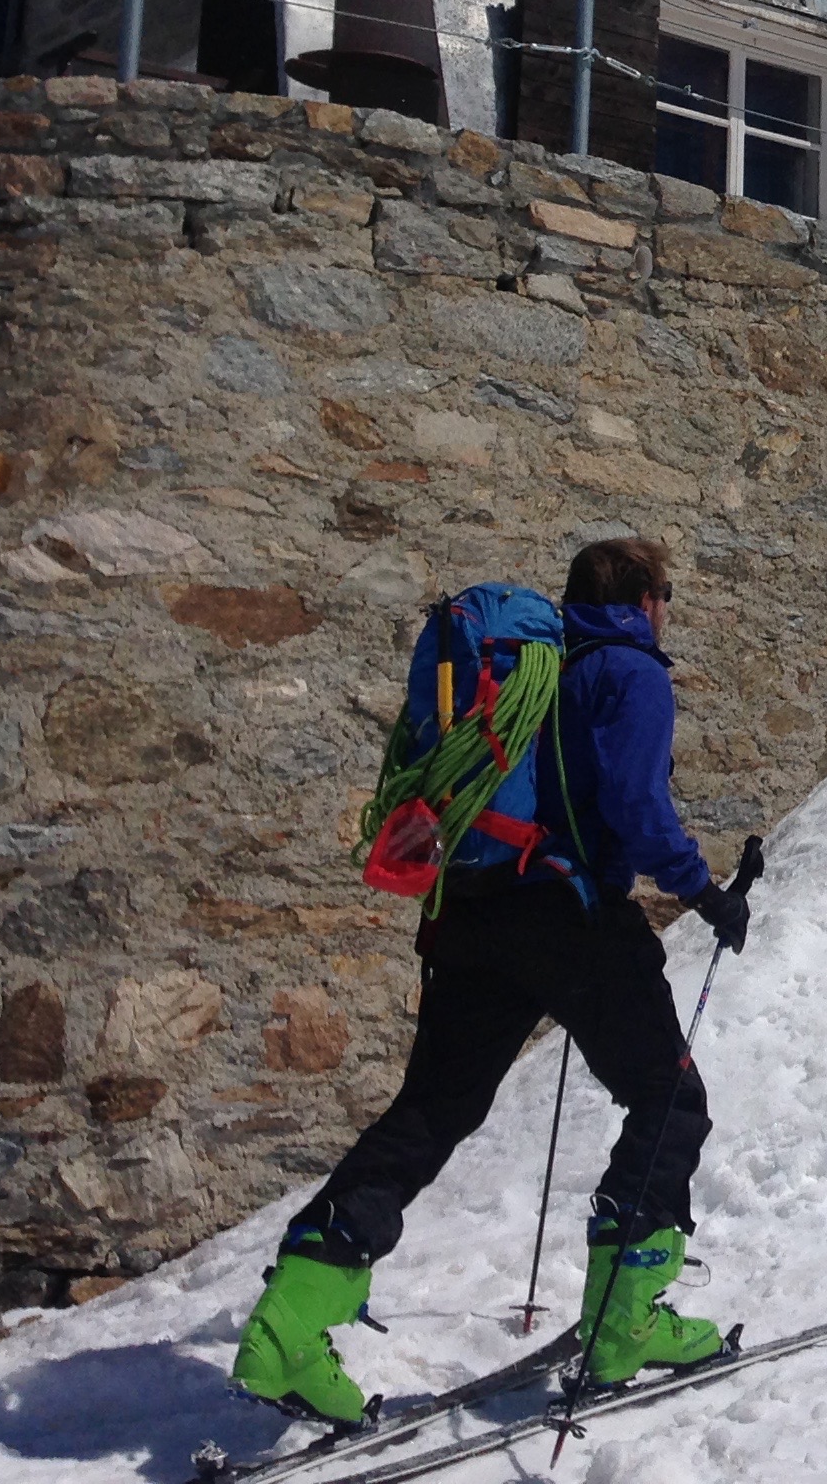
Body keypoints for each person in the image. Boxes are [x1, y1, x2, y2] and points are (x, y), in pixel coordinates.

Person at [231, 537, 750, 1421]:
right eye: (668, 594)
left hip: (469, 913)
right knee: (670, 1099)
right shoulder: (629, 672)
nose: (670, 609)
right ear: (644, 600)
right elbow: (635, 807)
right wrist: (708, 895)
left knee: (431, 1112)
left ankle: (287, 1323)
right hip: (570, 918)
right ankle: (625, 1320)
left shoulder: (534, 670)